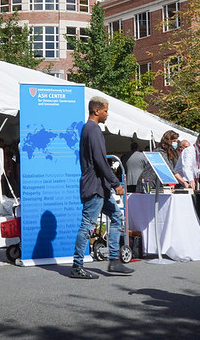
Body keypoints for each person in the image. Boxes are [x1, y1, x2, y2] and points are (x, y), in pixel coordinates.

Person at [71, 96, 133, 279]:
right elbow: (100, 160)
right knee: (87, 226)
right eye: (105, 110)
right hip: (95, 186)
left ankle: (114, 260)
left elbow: (99, 160)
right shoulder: (93, 129)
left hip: (99, 186)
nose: (107, 114)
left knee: (116, 216)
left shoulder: (89, 129)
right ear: (96, 111)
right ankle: (77, 266)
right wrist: (116, 183)